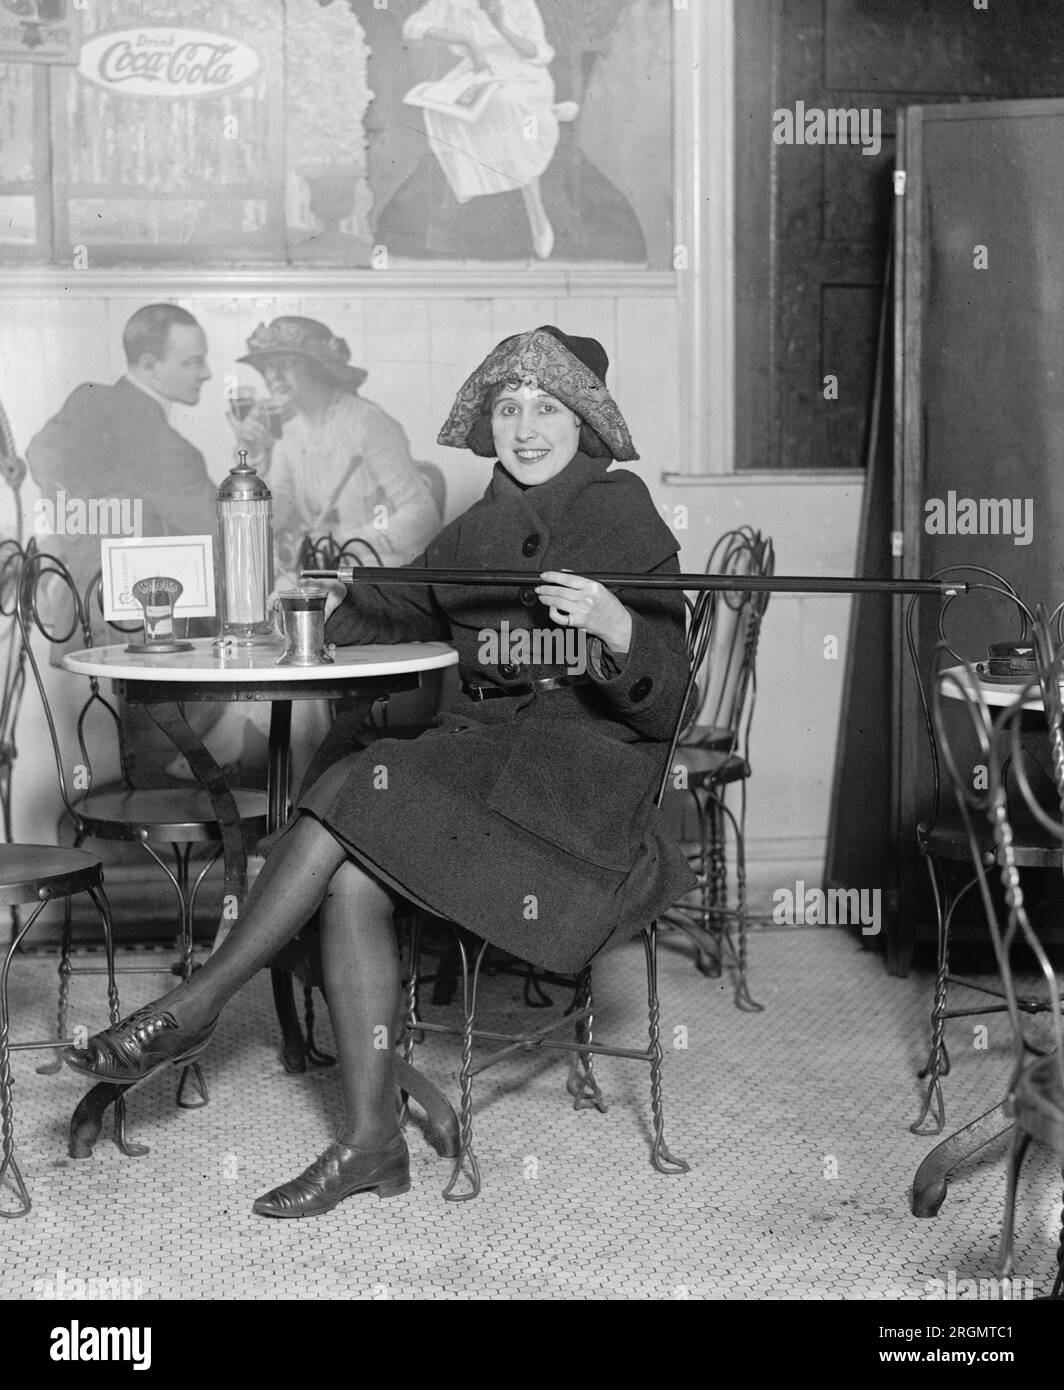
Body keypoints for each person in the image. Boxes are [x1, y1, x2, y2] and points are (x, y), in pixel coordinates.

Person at [65, 325, 697, 1218]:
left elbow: (672, 705)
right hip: (485, 770)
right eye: (509, 407)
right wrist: (331, 591)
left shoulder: (622, 510)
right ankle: (370, 1146)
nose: (524, 427)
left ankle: (197, 1004)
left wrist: (616, 626)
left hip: (579, 799)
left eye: (546, 409)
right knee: (351, 876)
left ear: (584, 422)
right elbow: (401, 600)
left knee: (350, 790)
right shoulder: (480, 523)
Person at [26, 303, 216, 605]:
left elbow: (40, 452)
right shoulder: (171, 452)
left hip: (74, 606)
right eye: (192, 362)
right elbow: (222, 533)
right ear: (150, 365)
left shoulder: (87, 399)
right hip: (133, 619)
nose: (206, 373)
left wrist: (70, 528)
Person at [230, 316, 441, 582]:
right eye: (268, 367)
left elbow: (423, 516)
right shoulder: (289, 433)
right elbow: (275, 518)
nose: (273, 377)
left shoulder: (366, 421)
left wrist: (344, 543)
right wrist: (252, 456)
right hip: (324, 570)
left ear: (318, 367)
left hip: (382, 570)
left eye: (286, 364)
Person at [403, 0, 571, 259]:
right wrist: (466, 41)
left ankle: (536, 212)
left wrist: (501, 26)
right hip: (478, 71)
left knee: (508, 104)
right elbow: (414, 26)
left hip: (524, 73)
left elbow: (538, 52)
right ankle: (472, 176)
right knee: (441, 109)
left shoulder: (520, 4)